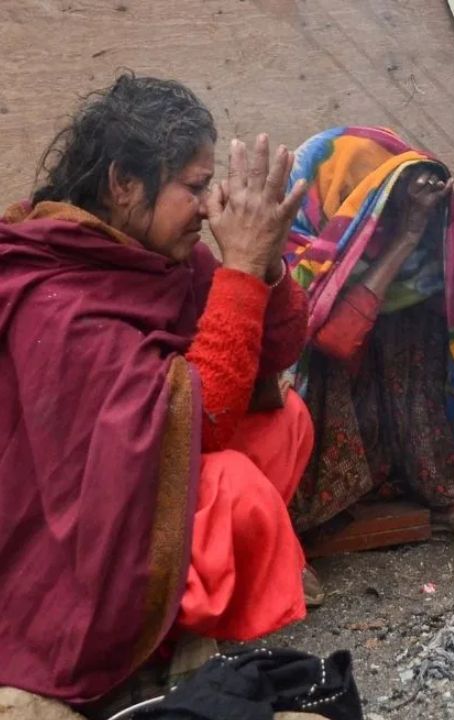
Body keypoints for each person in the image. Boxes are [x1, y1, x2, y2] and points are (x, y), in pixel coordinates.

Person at [0, 74, 313, 703]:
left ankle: (185, 609)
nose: (206, 205)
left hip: (138, 469)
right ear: (122, 184)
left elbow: (271, 354)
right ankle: (153, 633)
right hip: (60, 537)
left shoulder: (156, 252)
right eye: (193, 187)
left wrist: (267, 264)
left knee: (287, 421)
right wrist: (242, 272)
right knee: (234, 491)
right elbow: (201, 422)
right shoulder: (55, 292)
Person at [283, 126, 454, 550]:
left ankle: (442, 491)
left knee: (420, 321)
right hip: (325, 404)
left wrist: (419, 225)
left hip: (387, 408)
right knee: (317, 360)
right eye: (362, 207)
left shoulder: (405, 249)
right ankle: (290, 536)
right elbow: (335, 336)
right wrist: (405, 237)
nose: (369, 225)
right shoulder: (293, 241)